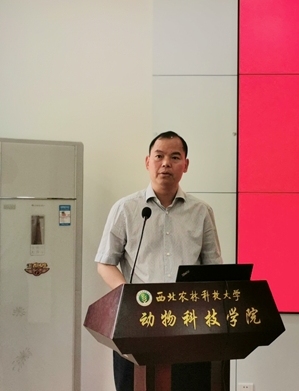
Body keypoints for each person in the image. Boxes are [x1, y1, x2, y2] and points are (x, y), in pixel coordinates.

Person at [95, 131, 223, 391]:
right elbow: (105, 263)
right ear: (147, 162)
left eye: (175, 157)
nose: (166, 163)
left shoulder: (201, 212)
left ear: (185, 165)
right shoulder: (126, 209)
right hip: (137, 320)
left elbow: (213, 269)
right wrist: (128, 295)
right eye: (159, 156)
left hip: (188, 323)